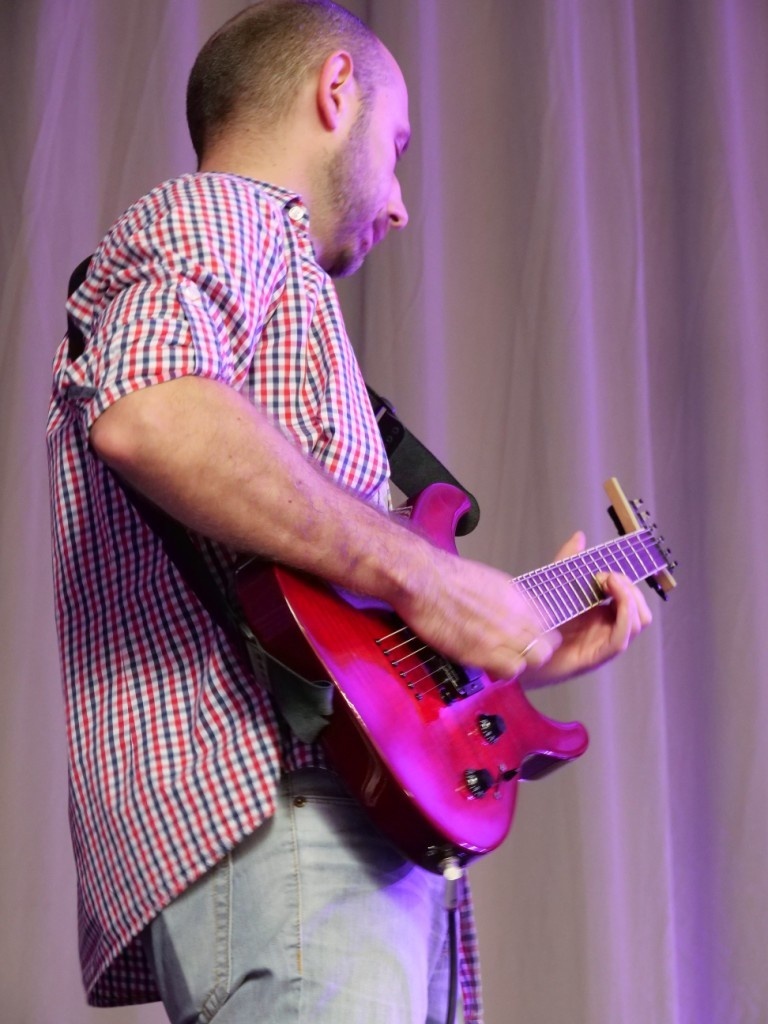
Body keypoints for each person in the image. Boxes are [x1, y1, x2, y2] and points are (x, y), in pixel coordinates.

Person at [47, 2, 652, 1022]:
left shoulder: (261, 279)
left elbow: (323, 628)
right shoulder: (221, 215)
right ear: (336, 92)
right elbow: (150, 410)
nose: (402, 204)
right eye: (398, 145)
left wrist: (515, 648)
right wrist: (431, 580)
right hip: (285, 821)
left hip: (318, 831)